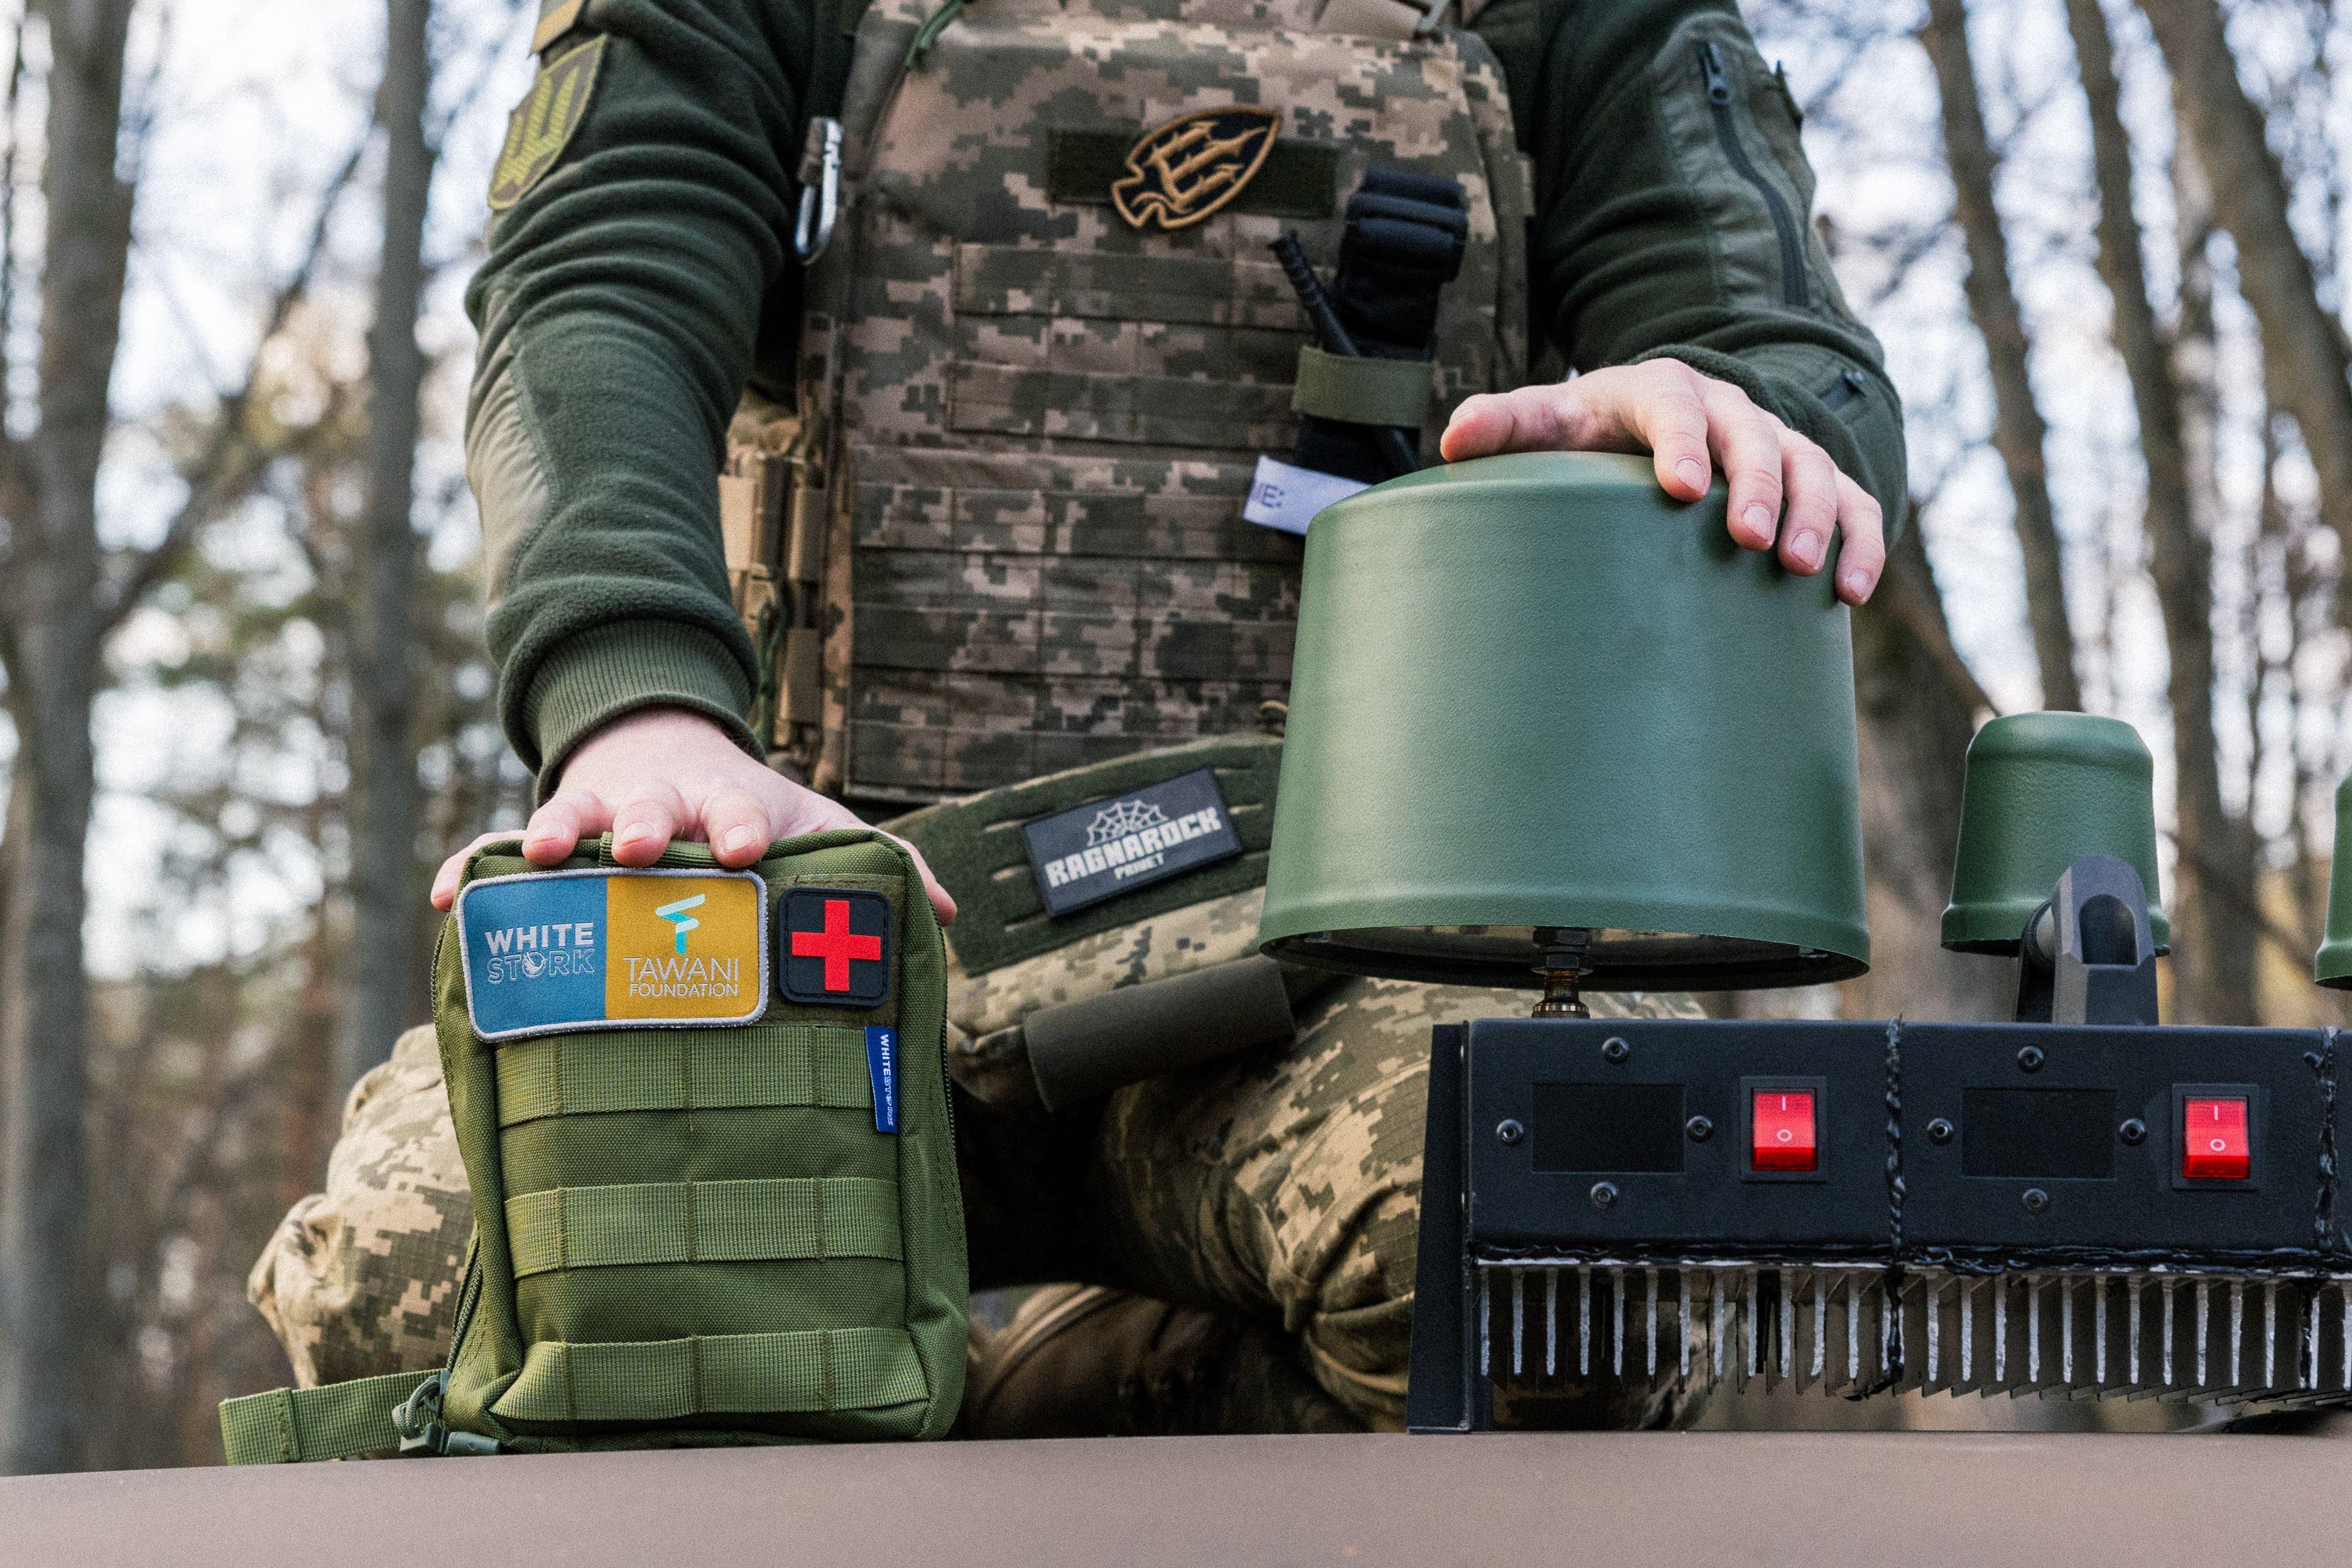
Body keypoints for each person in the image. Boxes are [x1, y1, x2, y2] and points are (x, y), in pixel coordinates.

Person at [248, 0, 1905, 1434]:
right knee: (424, 1283)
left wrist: (1728, 417)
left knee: (1568, 1248)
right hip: (830, 922)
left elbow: (1778, 357)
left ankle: (1055, 1423)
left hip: (1353, 939)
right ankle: (886, 1404)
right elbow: (598, 281)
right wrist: (637, 701)